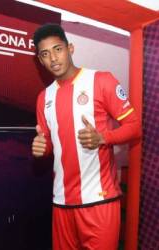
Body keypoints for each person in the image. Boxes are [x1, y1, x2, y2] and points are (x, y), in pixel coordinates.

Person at [31, 23, 141, 250]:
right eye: (45, 54)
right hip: (61, 203)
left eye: (57, 49)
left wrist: (103, 138)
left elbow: (135, 126)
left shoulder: (101, 81)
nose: (53, 58)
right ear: (40, 60)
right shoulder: (44, 97)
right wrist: (43, 147)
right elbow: (51, 143)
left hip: (100, 202)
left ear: (70, 48)